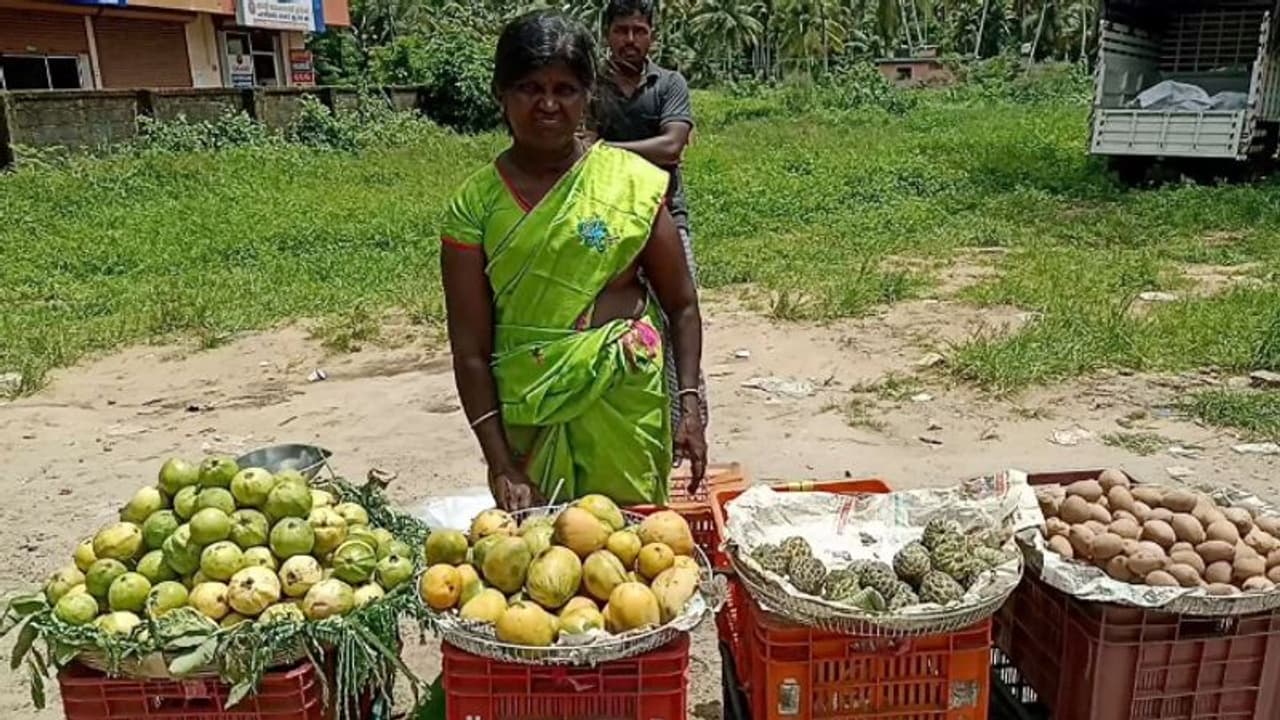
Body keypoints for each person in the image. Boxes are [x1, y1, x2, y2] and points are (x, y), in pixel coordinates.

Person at [440, 10, 708, 513]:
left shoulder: (630, 182)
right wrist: (499, 462)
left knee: (637, 562)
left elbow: (683, 304)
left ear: (588, 96)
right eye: (528, 87)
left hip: (623, 408)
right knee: (541, 571)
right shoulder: (474, 206)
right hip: (528, 417)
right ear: (501, 93)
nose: (547, 104)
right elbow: (470, 351)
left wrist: (688, 405)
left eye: (565, 89)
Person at [589, 0, 708, 439]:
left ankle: (690, 426)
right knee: (608, 331)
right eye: (622, 31)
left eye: (639, 31)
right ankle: (625, 435)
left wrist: (602, 151)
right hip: (605, 223)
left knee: (682, 321)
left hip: (665, 216)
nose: (630, 40)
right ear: (607, 34)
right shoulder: (590, 86)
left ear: (652, 35)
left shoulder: (669, 83)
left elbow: (673, 147)